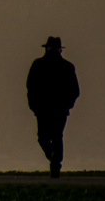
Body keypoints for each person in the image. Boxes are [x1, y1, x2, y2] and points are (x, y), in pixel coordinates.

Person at [26, 36, 80, 178]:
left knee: (42, 137)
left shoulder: (37, 64)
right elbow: (75, 91)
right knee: (57, 136)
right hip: (61, 109)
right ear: (60, 50)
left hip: (42, 108)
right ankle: (56, 166)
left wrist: (33, 105)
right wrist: (68, 104)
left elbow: (30, 87)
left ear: (46, 49)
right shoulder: (68, 67)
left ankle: (51, 154)